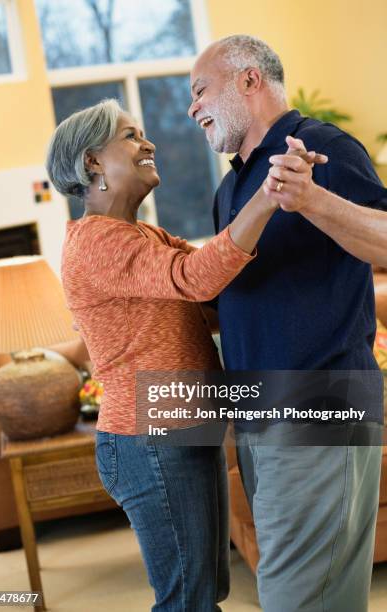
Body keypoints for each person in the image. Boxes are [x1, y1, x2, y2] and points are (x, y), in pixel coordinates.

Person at [46, 98, 322, 611]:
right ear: (92, 162)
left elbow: (214, 294)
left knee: (203, 595)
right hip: (149, 437)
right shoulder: (96, 242)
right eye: (130, 136)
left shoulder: (140, 234)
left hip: (178, 423)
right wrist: (265, 196)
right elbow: (194, 278)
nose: (148, 143)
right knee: (187, 601)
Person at [188, 35, 387, 612]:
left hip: (320, 404)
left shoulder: (322, 146)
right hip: (261, 416)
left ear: (249, 80)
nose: (192, 108)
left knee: (298, 597)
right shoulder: (231, 188)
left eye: (200, 91)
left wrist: (311, 199)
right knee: (317, 593)